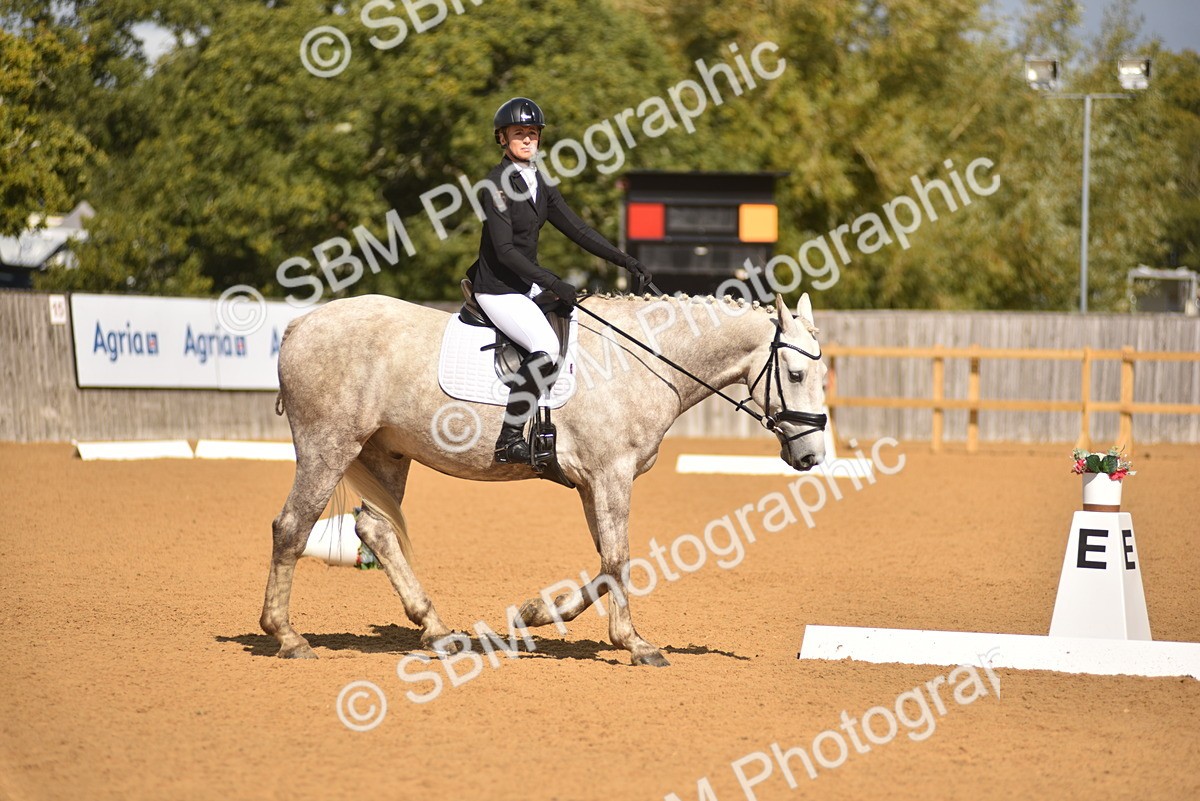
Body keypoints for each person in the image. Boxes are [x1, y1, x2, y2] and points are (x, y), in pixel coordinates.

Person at [467, 97, 652, 465]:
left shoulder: (539, 183)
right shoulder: (495, 185)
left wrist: (626, 260)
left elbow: (579, 230)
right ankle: (508, 437)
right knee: (545, 346)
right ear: (502, 138)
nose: (527, 140)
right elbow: (505, 252)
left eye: (532, 134)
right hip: (498, 288)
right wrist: (553, 281)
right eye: (519, 133)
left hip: (525, 285)